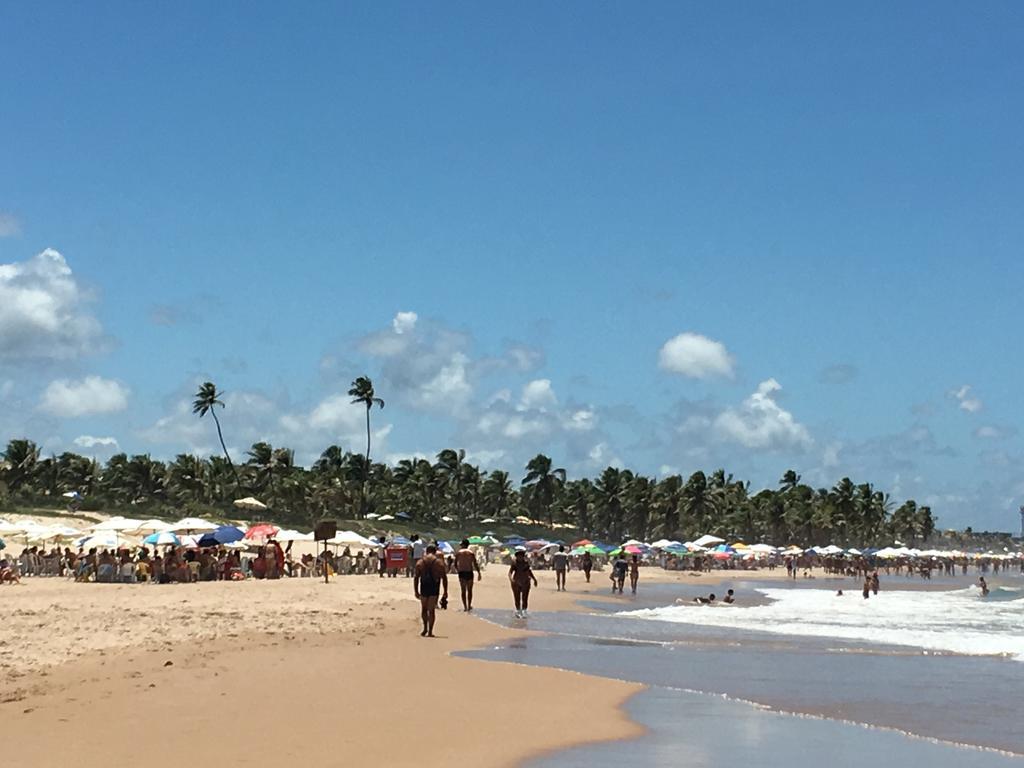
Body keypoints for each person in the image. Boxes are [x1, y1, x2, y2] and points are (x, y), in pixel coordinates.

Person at [414, 544, 448, 637]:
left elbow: (416, 577)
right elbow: (444, 578)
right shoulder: (439, 563)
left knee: (424, 609)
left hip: (424, 585)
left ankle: (425, 628)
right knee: (431, 610)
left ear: (426, 551)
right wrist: (445, 591)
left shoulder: (420, 562)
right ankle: (430, 631)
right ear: (435, 551)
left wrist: (416, 591)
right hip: (434, 586)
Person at [508, 548, 538, 618]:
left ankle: (524, 611)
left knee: (525, 598)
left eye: (521, 556)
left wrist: (534, 579)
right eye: (519, 556)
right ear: (517, 556)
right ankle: (518, 611)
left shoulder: (526, 563)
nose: (520, 557)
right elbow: (510, 572)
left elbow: (529, 572)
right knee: (517, 598)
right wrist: (511, 579)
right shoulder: (514, 563)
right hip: (516, 582)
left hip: (525, 582)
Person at [454, 539, 482, 611]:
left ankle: (465, 607)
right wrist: (479, 573)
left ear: (463, 545)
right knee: (469, 590)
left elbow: (455, 564)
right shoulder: (471, 553)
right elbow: (475, 564)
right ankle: (469, 605)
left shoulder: (459, 553)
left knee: (463, 590)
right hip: (469, 572)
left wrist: (458, 570)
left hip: (462, 572)